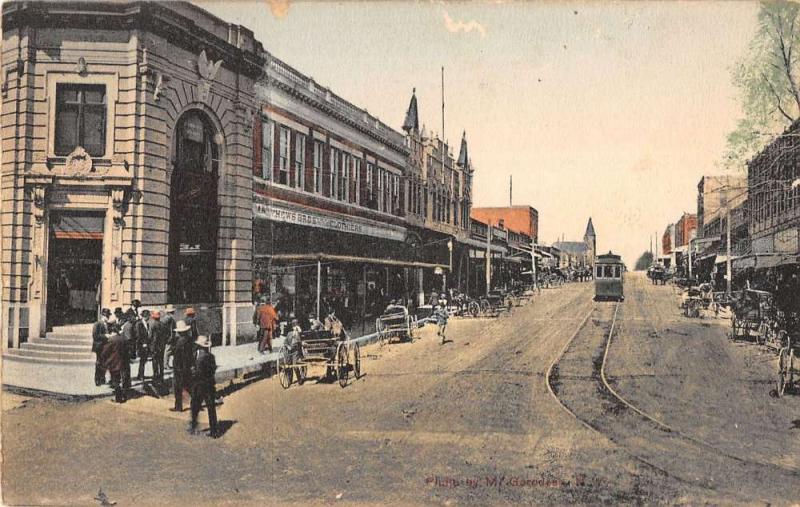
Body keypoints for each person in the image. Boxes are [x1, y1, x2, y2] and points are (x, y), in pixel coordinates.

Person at [189, 335, 219, 438]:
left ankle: (194, 425)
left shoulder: (200, 357)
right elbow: (213, 369)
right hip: (208, 385)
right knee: (209, 407)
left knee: (196, 406)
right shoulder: (210, 357)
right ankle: (213, 430)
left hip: (200, 385)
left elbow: (197, 372)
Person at [101, 318, 128, 403]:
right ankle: (123, 394)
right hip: (122, 361)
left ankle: (118, 398)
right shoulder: (123, 338)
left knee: (115, 380)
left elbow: (104, 352)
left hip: (113, 363)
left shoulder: (111, 340)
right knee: (119, 379)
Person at [171, 321, 194, 412]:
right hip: (187, 366)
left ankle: (178, 406)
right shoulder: (189, 340)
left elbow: (177, 356)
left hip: (179, 368)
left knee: (177, 388)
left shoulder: (179, 342)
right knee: (188, 386)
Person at [92, 308, 112, 386]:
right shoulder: (97, 324)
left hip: (106, 346)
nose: (107, 317)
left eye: (108, 315)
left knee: (105, 363)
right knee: (99, 363)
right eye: (106, 316)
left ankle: (102, 379)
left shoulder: (108, 324)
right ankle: (97, 380)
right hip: (99, 346)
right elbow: (95, 335)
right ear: (102, 316)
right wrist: (105, 336)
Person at [149, 311, 168, 385]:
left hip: (154, 346)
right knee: (161, 362)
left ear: (153, 317)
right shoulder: (163, 324)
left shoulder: (152, 324)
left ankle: (155, 377)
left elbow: (150, 336)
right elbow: (165, 335)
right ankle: (161, 377)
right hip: (161, 345)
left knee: (155, 362)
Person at [135, 309, 153, 381]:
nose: (148, 317)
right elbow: (138, 335)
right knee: (142, 360)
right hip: (141, 345)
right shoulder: (139, 324)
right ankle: (140, 375)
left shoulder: (146, 323)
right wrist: (143, 343)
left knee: (144, 360)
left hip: (146, 344)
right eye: (147, 316)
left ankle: (141, 374)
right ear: (144, 316)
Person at [161, 304, 177, 369]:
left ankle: (166, 364)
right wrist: (170, 336)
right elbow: (170, 329)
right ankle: (166, 364)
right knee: (168, 351)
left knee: (168, 351)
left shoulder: (166, 318)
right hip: (169, 337)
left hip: (167, 337)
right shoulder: (169, 318)